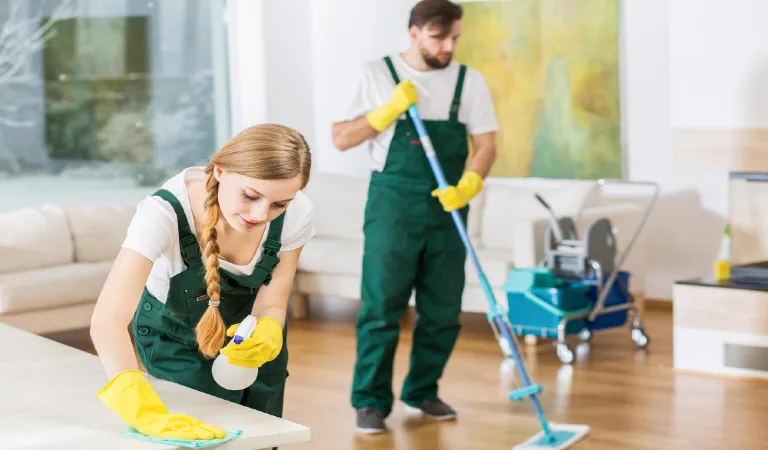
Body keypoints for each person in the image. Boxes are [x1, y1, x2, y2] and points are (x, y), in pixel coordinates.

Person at [331, 0, 498, 434]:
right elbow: (341, 137)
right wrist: (383, 113)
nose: (448, 47)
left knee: (442, 311)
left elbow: (485, 144)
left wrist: (470, 183)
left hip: (447, 208)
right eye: (439, 37)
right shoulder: (376, 73)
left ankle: (423, 389)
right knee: (382, 307)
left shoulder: (469, 81)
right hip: (393, 208)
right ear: (414, 33)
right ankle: (369, 402)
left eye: (454, 38)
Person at [90, 123, 315, 443]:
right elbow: (108, 319)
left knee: (261, 435)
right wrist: (139, 406)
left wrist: (268, 330)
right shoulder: (163, 214)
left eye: (280, 204)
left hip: (250, 339)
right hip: (178, 338)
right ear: (220, 171)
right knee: (202, 435)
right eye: (251, 195)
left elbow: (274, 300)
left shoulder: (297, 213)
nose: (262, 213)